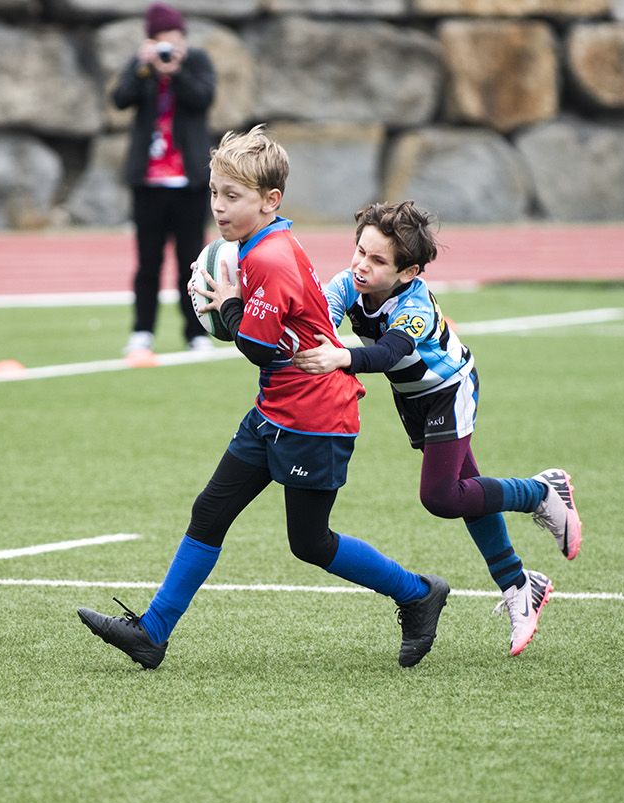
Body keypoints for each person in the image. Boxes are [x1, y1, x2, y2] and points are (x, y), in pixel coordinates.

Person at [77, 126, 450, 669]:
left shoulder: (268, 260)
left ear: (270, 201)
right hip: (277, 408)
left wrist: (227, 303)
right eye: (214, 193)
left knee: (310, 542)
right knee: (210, 511)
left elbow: (255, 345)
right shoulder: (255, 246)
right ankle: (152, 633)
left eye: (233, 197)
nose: (219, 207)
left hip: (316, 418)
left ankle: (418, 593)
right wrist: (233, 302)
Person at [291, 201, 581, 657]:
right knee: (467, 491)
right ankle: (519, 585)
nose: (361, 266)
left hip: (449, 389)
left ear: (407, 272)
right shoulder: (348, 283)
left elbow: (388, 352)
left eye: (378, 260)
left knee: (442, 496)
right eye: (360, 252)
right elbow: (321, 320)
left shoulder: (416, 305)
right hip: (412, 398)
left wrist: (341, 356)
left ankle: (541, 492)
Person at [112, 1, 217, 362]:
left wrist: (176, 73)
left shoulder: (197, 62)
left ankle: (194, 332)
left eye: (173, 37)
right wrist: (145, 70)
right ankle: (142, 332)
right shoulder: (142, 67)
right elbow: (120, 99)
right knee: (147, 263)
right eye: (160, 39)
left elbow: (203, 98)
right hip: (149, 182)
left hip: (188, 183)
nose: (168, 45)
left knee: (192, 261)